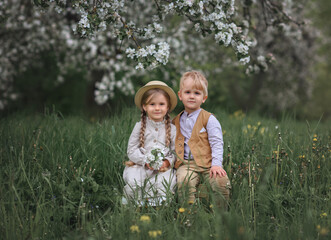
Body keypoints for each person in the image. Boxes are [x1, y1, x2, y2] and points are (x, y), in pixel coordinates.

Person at [172, 70, 231, 210]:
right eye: (188, 92)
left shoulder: (209, 119)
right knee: (184, 182)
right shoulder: (176, 121)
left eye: (197, 93)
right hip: (186, 164)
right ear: (180, 95)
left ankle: (221, 214)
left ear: (204, 98)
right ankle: (188, 215)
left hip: (208, 163)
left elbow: (216, 142)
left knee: (221, 181)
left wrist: (216, 164)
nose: (192, 96)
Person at [122, 81, 177, 206]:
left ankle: (159, 208)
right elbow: (131, 150)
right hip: (141, 166)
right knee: (135, 182)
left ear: (167, 107)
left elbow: (174, 152)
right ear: (144, 107)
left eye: (161, 104)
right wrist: (145, 160)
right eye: (152, 104)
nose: (157, 108)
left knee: (164, 183)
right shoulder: (139, 126)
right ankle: (134, 207)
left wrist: (166, 162)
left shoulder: (172, 129)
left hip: (163, 168)